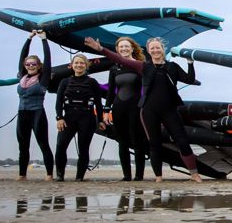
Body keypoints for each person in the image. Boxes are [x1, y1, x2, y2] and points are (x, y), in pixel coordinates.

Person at [85, 36, 202, 182]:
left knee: (182, 140)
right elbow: (121, 60)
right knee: (154, 144)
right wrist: (101, 49)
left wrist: (190, 63)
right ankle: (158, 177)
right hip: (148, 110)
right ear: (148, 51)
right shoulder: (144, 67)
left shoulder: (172, 67)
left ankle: (194, 173)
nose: (155, 50)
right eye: (152, 48)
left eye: (157, 47)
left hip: (170, 110)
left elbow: (190, 80)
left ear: (163, 49)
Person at [54, 54, 105, 181]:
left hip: (87, 118)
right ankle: (60, 175)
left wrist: (101, 120)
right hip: (68, 118)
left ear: (86, 65)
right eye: (76, 63)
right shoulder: (64, 82)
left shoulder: (92, 82)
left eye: (82, 63)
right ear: (72, 65)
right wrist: (59, 118)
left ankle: (79, 177)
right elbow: (58, 102)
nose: (79, 65)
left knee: (83, 148)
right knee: (61, 145)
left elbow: (98, 103)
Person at [104, 36, 149, 181]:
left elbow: (148, 88)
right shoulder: (114, 68)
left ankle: (139, 175)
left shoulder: (140, 65)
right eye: (120, 47)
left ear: (132, 48)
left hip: (135, 108)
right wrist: (106, 110)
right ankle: (126, 176)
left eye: (126, 46)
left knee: (137, 141)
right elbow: (111, 91)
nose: (123, 49)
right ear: (117, 50)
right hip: (118, 108)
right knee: (122, 142)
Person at [14, 30, 56, 181]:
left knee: (43, 144)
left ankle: (49, 174)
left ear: (39, 66)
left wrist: (44, 39)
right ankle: (22, 174)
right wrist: (29, 38)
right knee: (22, 146)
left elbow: (48, 60)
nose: (30, 66)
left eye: (34, 64)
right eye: (28, 64)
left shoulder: (43, 78)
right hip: (22, 114)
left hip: (37, 113)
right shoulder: (22, 77)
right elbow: (22, 57)